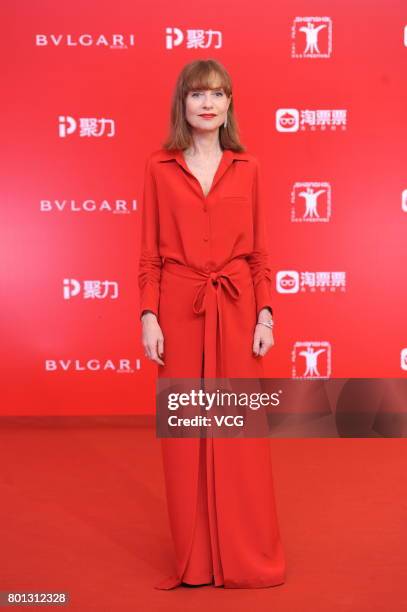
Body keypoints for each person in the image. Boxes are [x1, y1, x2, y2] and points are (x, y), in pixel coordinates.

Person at [138, 58, 286, 589]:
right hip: (179, 308)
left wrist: (266, 312)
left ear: (229, 106)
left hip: (238, 306)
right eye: (197, 93)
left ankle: (246, 557)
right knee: (184, 437)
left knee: (238, 438)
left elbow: (261, 253)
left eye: (218, 94)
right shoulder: (159, 167)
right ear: (182, 102)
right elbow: (150, 255)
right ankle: (196, 562)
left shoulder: (249, 168)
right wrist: (149, 315)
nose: (208, 103)